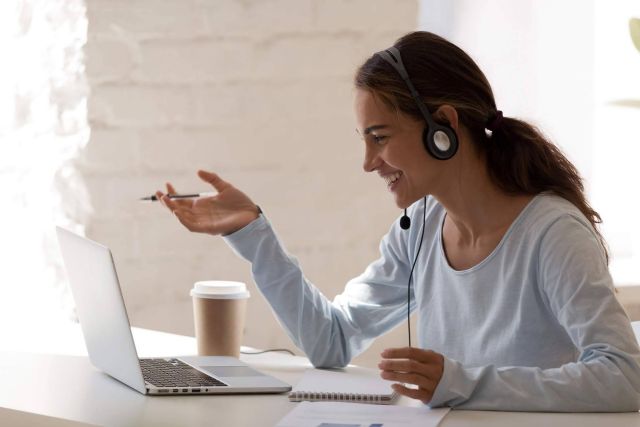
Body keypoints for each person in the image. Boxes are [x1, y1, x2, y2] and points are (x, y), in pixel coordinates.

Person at [155, 31, 640, 411]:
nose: (369, 162)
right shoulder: (422, 226)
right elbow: (332, 341)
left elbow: (624, 376)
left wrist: (461, 381)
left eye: (380, 138)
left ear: (444, 129)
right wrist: (252, 233)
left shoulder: (552, 234)